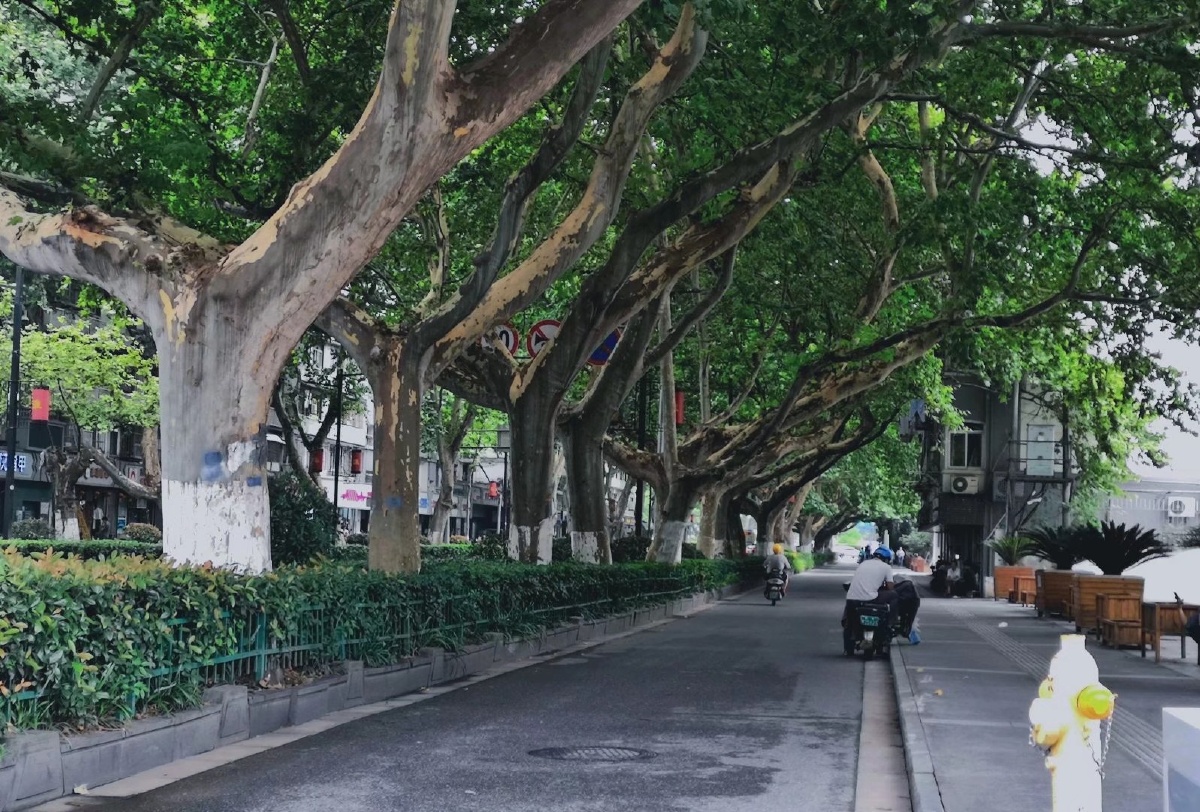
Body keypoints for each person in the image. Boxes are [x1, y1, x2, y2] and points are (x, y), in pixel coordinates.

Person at [843, 547, 897, 655]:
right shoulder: (886, 567)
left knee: (849, 622)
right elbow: (890, 587)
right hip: (870, 598)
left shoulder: (863, 564)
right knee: (894, 595)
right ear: (886, 559)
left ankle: (848, 648)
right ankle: (892, 621)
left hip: (851, 599)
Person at [892, 574, 922, 644]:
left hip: (905, 602)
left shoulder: (902, 585)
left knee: (905, 619)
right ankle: (908, 632)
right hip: (914, 602)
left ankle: (906, 631)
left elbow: (893, 594)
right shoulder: (909, 585)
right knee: (910, 621)